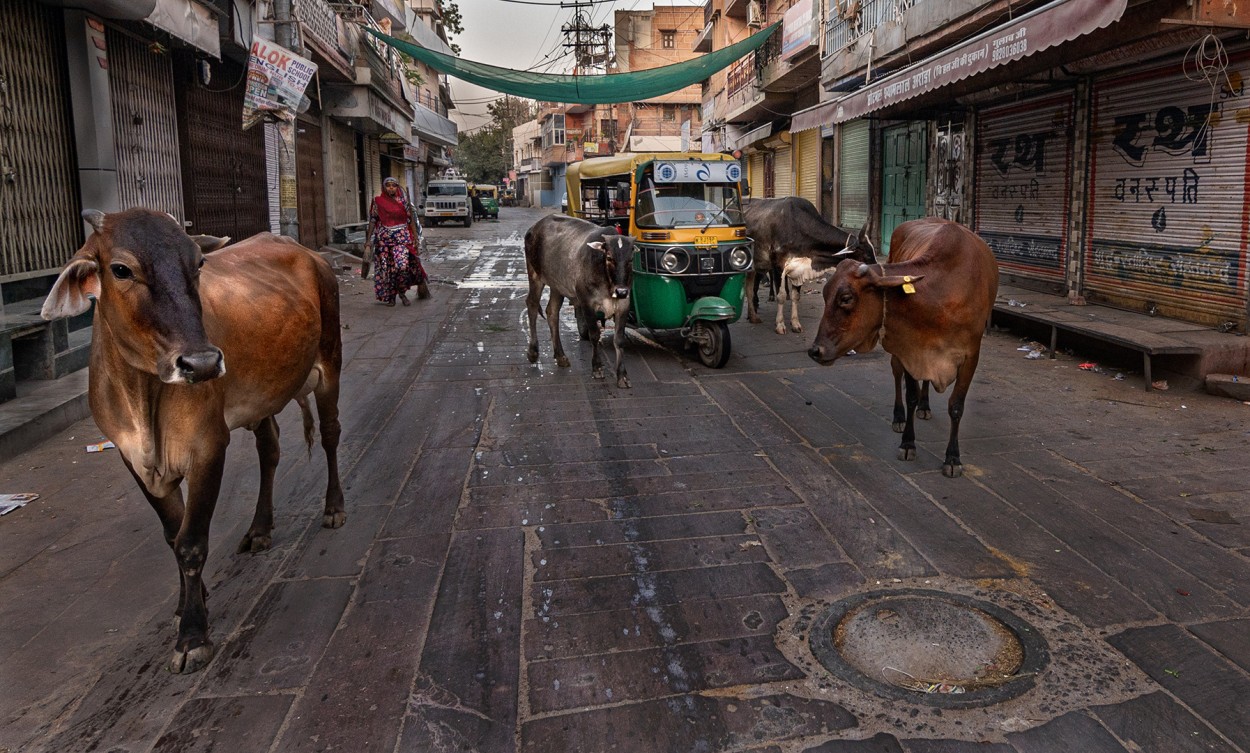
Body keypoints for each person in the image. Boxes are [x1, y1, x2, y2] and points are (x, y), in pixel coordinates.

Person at [364, 177, 429, 306]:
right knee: (388, 270)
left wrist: (415, 239)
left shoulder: (404, 202)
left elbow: (411, 222)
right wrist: (368, 241)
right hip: (384, 240)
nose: (391, 188)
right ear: (384, 187)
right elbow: (372, 221)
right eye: (388, 186)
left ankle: (402, 292)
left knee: (402, 266)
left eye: (393, 185)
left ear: (397, 187)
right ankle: (392, 297)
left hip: (402, 239)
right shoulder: (378, 202)